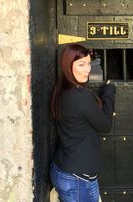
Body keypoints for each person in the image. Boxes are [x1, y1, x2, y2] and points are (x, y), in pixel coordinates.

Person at [50, 43, 116, 202]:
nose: (88, 69)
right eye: (81, 64)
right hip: (78, 179)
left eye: (88, 63)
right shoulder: (80, 96)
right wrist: (109, 92)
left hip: (62, 169)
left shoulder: (60, 90)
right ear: (67, 66)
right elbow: (105, 125)